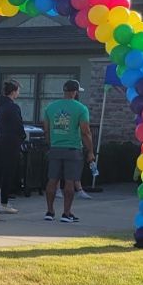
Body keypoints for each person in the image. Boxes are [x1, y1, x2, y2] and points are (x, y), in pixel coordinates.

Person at [42, 80, 93, 222]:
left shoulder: (50, 108)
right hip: (73, 149)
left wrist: (51, 143)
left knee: (52, 180)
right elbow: (85, 132)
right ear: (75, 92)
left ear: (64, 91)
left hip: (55, 148)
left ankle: (49, 211)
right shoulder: (81, 109)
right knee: (70, 181)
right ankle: (66, 213)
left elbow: (46, 130)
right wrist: (90, 151)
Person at [0, 80, 25, 213]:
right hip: (11, 141)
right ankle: (4, 203)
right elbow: (18, 124)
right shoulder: (13, 107)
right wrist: (22, 137)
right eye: (18, 90)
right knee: (8, 172)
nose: (18, 93)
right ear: (13, 91)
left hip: (0, 139)